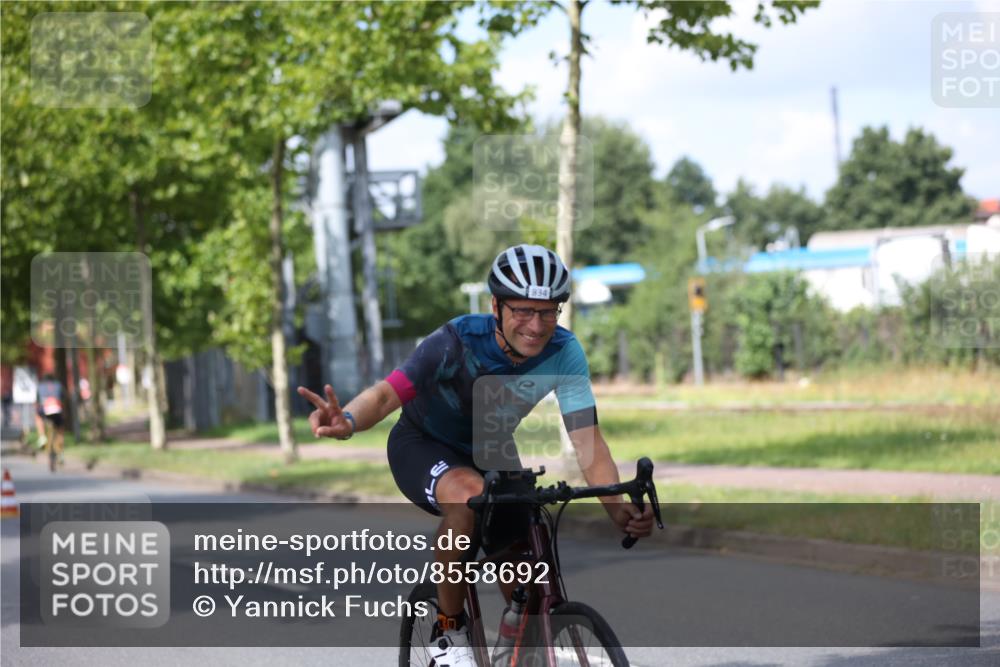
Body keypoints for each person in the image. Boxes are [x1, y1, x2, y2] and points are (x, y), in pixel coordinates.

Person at [297, 244, 653, 667]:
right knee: (469, 500)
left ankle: (517, 642)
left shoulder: (565, 352)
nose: (536, 325)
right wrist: (349, 420)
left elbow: (588, 442)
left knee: (525, 561)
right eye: (523, 310)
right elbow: (388, 394)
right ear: (496, 306)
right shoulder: (456, 341)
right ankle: (449, 632)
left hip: (491, 448)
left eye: (547, 312)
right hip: (423, 444)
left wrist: (615, 507)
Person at [35, 373, 66, 463]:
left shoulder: (40, 386)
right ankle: (61, 453)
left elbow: (37, 402)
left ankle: (42, 437)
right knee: (60, 429)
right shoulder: (58, 385)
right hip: (57, 409)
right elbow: (63, 398)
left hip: (45, 410)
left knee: (38, 417)